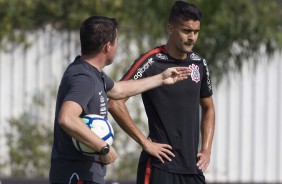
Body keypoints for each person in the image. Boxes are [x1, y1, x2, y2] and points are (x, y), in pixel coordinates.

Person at [49, 15, 190, 184]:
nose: (117, 46)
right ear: (107, 47)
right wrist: (103, 147)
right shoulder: (84, 78)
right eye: (116, 41)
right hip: (76, 175)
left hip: (84, 175)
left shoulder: (93, 74)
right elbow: (67, 118)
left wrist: (161, 78)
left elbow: (118, 89)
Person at [108, 1, 215, 184]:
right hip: (160, 166)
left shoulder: (199, 63)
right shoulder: (151, 62)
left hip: (192, 169)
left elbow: (208, 108)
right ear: (170, 28)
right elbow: (115, 102)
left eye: (196, 32)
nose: (192, 37)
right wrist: (145, 142)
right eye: (186, 31)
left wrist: (206, 149)